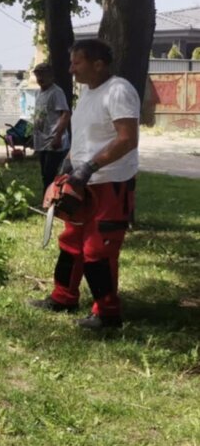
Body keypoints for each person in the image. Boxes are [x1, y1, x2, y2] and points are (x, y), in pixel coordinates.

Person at [36, 38, 139, 330]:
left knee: (98, 249)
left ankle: (107, 314)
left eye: (76, 62)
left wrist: (91, 166)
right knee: (71, 241)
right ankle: (63, 297)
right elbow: (84, 136)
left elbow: (128, 139)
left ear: (98, 64)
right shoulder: (86, 91)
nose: (70, 69)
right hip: (82, 181)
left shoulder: (118, 90)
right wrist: (68, 165)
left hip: (111, 181)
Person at [32, 63, 71, 190]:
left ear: (51, 77)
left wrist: (58, 137)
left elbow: (65, 114)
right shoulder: (39, 93)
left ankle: (50, 202)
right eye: (38, 76)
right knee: (44, 173)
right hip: (42, 141)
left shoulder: (56, 92)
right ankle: (48, 200)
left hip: (53, 141)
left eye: (43, 76)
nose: (40, 79)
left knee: (50, 174)